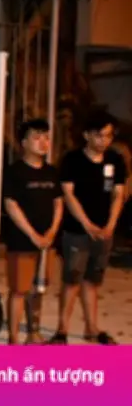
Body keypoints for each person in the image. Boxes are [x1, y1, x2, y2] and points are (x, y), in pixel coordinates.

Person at [49, 111, 127, 345]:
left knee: (93, 280)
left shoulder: (115, 160)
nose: (104, 140)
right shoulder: (72, 160)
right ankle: (62, 330)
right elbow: (68, 194)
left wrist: (111, 224)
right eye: (99, 135)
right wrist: (87, 224)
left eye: (109, 136)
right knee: (72, 279)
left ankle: (92, 328)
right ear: (86, 135)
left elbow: (119, 194)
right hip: (77, 231)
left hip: (104, 231)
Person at [2, 119, 63, 345]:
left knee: (39, 289)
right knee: (19, 289)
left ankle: (33, 333)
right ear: (24, 143)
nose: (43, 142)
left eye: (46, 137)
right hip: (22, 241)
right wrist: (33, 235)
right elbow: (11, 205)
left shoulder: (52, 172)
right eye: (37, 138)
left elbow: (58, 203)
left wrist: (51, 232)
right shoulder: (14, 172)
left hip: (47, 242)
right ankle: (13, 338)